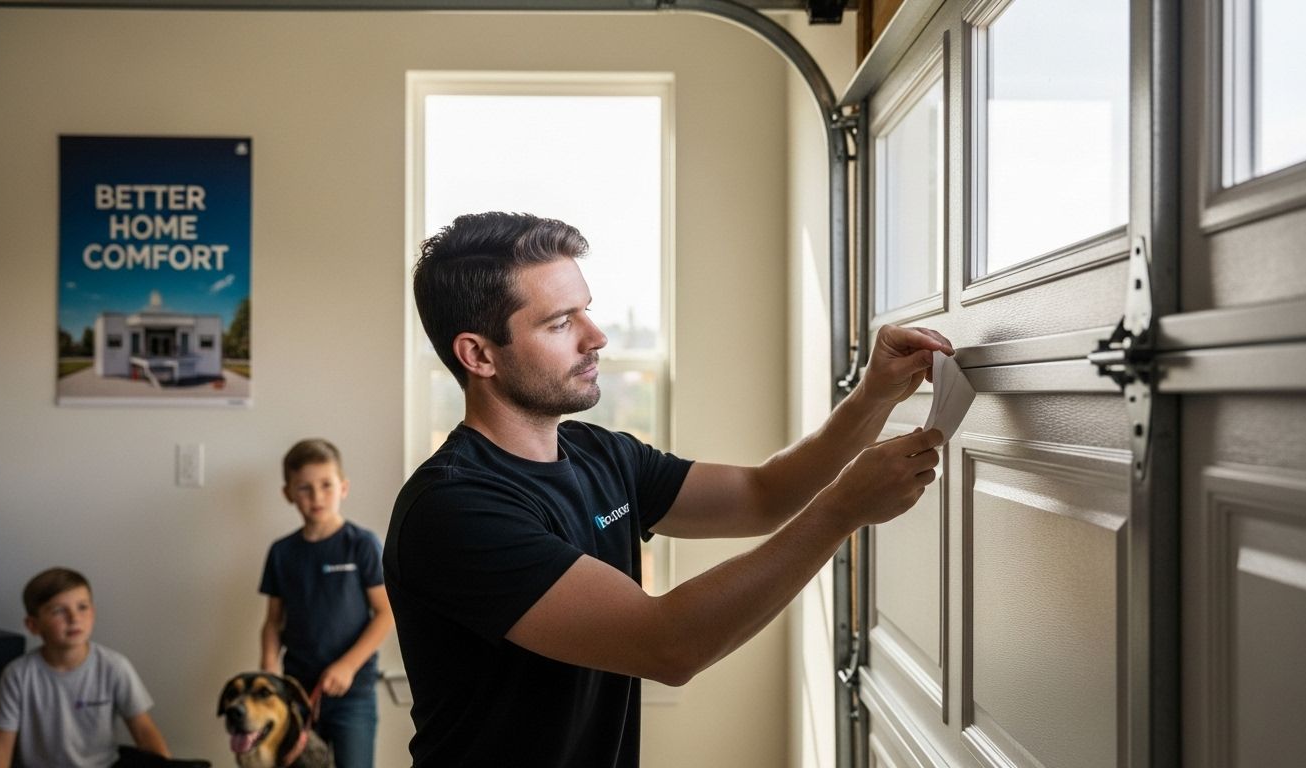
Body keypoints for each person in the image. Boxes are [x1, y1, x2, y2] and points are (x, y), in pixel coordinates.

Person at [385, 211, 952, 767]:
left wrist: (876, 394)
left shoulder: (601, 453)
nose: (597, 337)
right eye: (561, 323)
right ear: (478, 354)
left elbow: (765, 495)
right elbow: (669, 643)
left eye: (587, 310)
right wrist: (841, 511)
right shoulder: (453, 509)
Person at [259, 439, 394, 768]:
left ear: (343, 488)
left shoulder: (361, 544)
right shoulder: (282, 552)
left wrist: (348, 666)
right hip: (298, 693)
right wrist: (268, 670)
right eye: (304, 488)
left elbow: (387, 613)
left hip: (354, 695)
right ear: (288, 493)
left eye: (326, 485)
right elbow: (273, 621)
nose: (316, 497)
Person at [0, 567, 171, 768]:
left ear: (93, 613)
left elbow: (144, 731)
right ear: (33, 625)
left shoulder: (115, 667)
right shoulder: (18, 675)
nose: (74, 618)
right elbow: (1, 746)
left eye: (82, 607)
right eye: (58, 611)